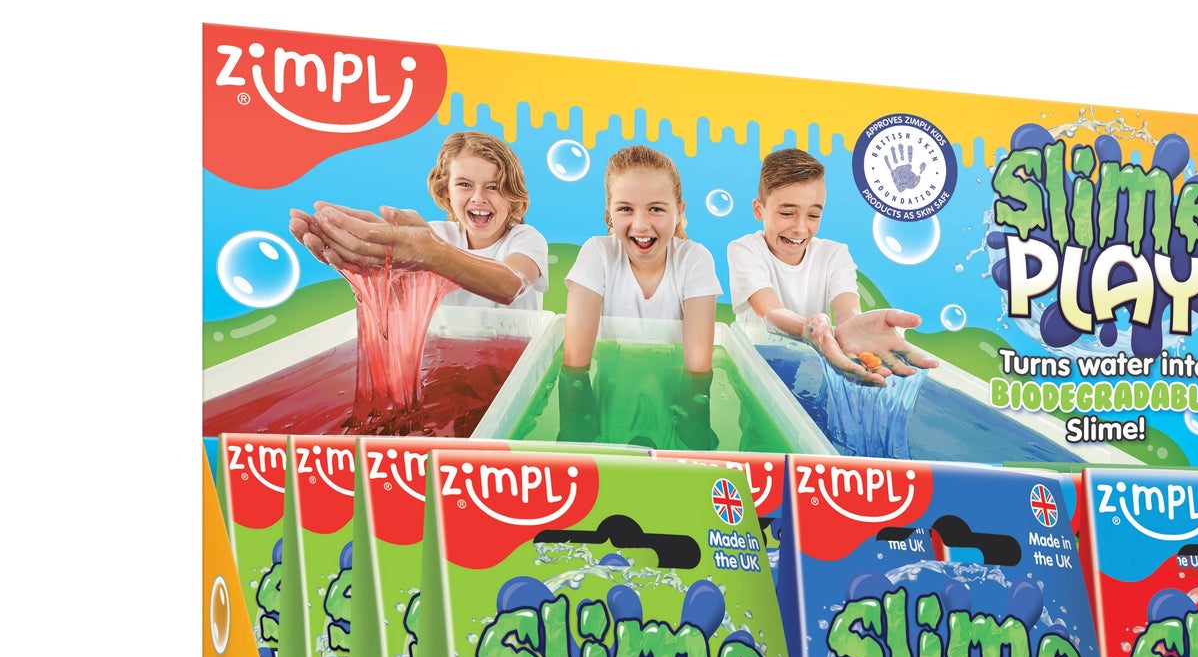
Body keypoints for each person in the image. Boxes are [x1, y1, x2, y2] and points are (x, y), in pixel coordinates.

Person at [728, 148, 939, 385]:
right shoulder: (745, 250)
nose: (800, 228)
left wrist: (854, 326)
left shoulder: (834, 254)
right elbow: (769, 311)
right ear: (759, 209)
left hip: (810, 368)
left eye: (813, 215)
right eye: (787, 213)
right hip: (756, 369)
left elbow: (847, 312)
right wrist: (808, 328)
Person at [287, 130, 546, 308]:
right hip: (450, 360)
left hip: (517, 365)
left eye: (494, 187)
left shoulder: (525, 239)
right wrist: (372, 267)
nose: (479, 198)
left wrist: (434, 254)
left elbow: (511, 285)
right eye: (465, 185)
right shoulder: (438, 235)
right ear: (445, 190)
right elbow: (400, 299)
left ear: (513, 194)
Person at [563, 145, 720, 378]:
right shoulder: (598, 254)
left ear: (679, 212)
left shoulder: (694, 260)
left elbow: (698, 371)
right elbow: (574, 365)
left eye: (656, 209)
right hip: (611, 402)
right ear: (609, 213)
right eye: (625, 208)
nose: (640, 225)